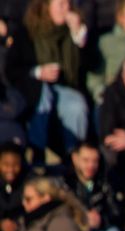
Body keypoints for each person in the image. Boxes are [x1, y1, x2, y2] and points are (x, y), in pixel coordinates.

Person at [6, 0, 90, 156]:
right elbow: (11, 70)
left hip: (65, 88)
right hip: (33, 90)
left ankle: (74, 156)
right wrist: (38, 72)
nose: (66, 9)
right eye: (60, 4)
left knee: (77, 105)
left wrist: (79, 36)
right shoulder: (27, 32)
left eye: (68, 4)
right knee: (43, 94)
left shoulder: (74, 32)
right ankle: (38, 153)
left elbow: (90, 65)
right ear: (46, 6)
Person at [66, 141, 123, 231]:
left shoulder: (106, 182)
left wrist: (101, 220)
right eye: (86, 160)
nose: (91, 166)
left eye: (95, 161)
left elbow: (116, 212)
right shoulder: (65, 184)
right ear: (75, 159)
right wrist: (81, 219)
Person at [15, 176, 87, 231]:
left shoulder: (61, 224)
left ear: (46, 198)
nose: (24, 203)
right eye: (23, 199)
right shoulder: (30, 223)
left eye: (28, 199)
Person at [0, 143, 25, 231]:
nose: (10, 170)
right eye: (6, 165)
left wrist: (17, 224)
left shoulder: (27, 183)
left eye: (15, 165)